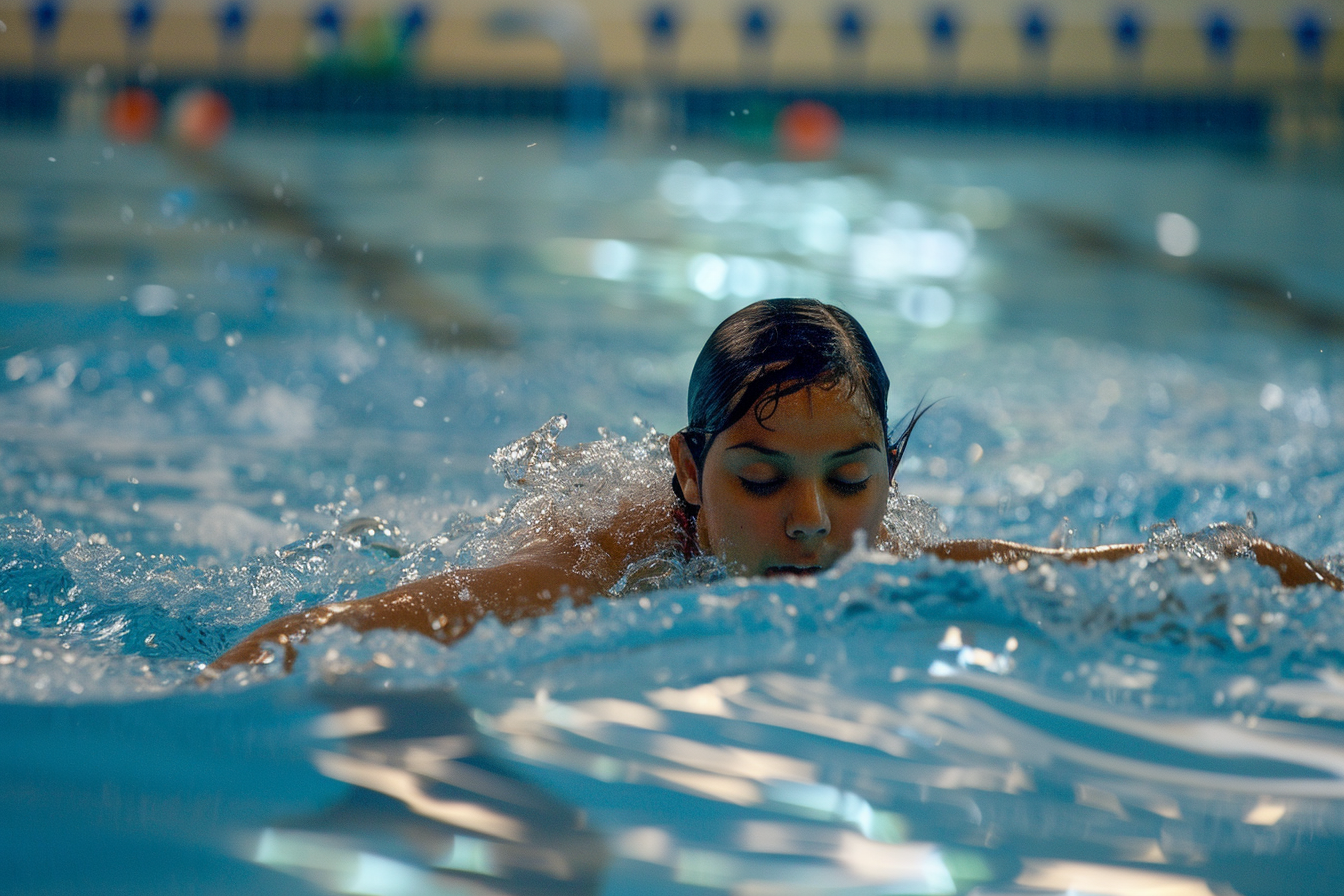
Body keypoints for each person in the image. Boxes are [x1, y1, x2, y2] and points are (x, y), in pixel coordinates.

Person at [204, 299, 1342, 678]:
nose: (811, 522)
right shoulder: (603, 570)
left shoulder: (889, 559)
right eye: (760, 478)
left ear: (888, 474)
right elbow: (342, 630)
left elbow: (1204, 567)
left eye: (850, 479)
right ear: (690, 473)